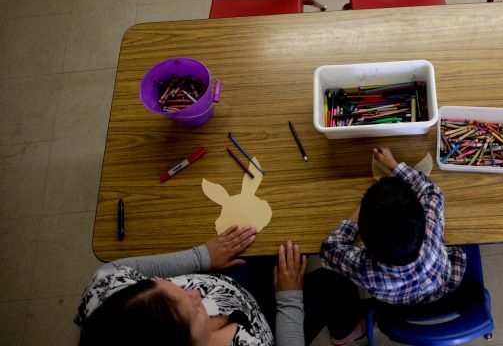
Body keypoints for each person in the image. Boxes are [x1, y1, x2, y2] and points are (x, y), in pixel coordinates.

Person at [76, 225, 363, 346]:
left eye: (163, 284)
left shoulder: (107, 295)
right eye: (195, 310)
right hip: (274, 324)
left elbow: (114, 269)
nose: (194, 292)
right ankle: (345, 333)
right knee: (337, 283)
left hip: (232, 286)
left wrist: (202, 257)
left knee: (274, 239)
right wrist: (289, 299)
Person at [320, 147, 466, 306]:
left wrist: (364, 205)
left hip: (400, 303)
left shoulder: (365, 270)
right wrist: (394, 165)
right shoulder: (431, 230)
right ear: (422, 218)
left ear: (363, 237)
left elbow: (329, 250)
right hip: (443, 285)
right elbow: (432, 191)